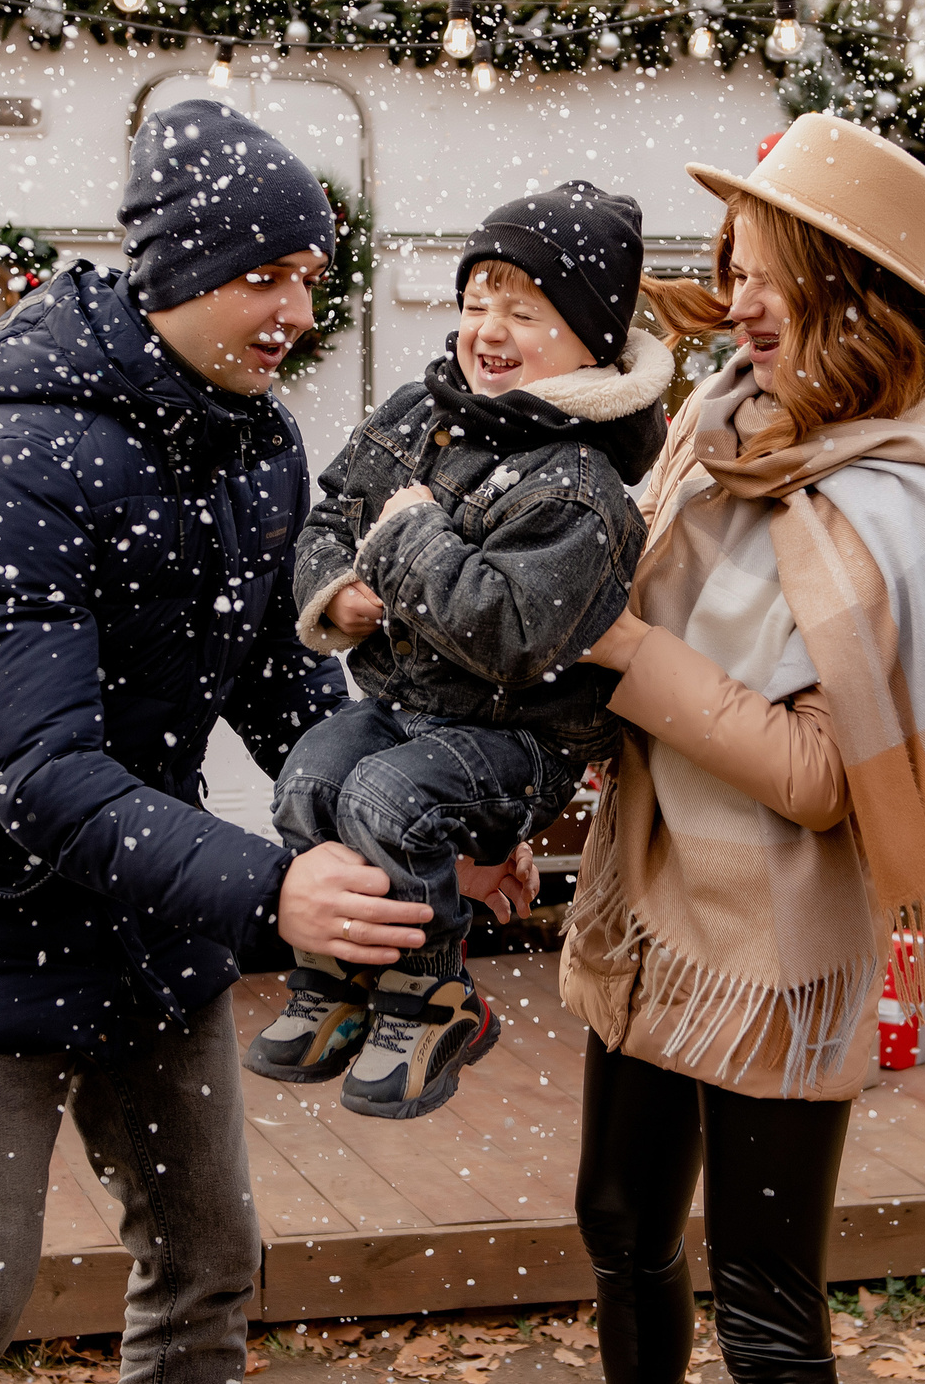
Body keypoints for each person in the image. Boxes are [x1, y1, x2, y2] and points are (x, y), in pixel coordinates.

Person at [0, 98, 535, 1384]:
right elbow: (40, 774)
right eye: (259, 276)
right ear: (172, 274)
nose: (291, 311)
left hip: (146, 920)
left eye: (309, 278)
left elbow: (277, 686)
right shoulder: (22, 458)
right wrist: (274, 885)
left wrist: (422, 825)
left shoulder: (253, 443)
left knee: (210, 1265)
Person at [557, 115, 925, 1384]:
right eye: (730, 269)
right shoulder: (712, 430)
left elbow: (816, 776)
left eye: (768, 274)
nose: (740, 304)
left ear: (846, 291)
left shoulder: (907, 503)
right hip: (644, 885)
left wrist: (625, 654)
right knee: (618, 1223)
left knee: (765, 1301)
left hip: (778, 938)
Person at [246, 181, 673, 1119]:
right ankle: (339, 978)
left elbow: (512, 634)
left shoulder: (581, 484)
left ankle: (436, 997)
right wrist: (337, 590)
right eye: (477, 301)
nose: (489, 327)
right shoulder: (417, 413)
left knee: (385, 796)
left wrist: (404, 545)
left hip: (518, 736)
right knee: (310, 779)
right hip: (408, 708)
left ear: (592, 339)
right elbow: (330, 518)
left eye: (526, 310)